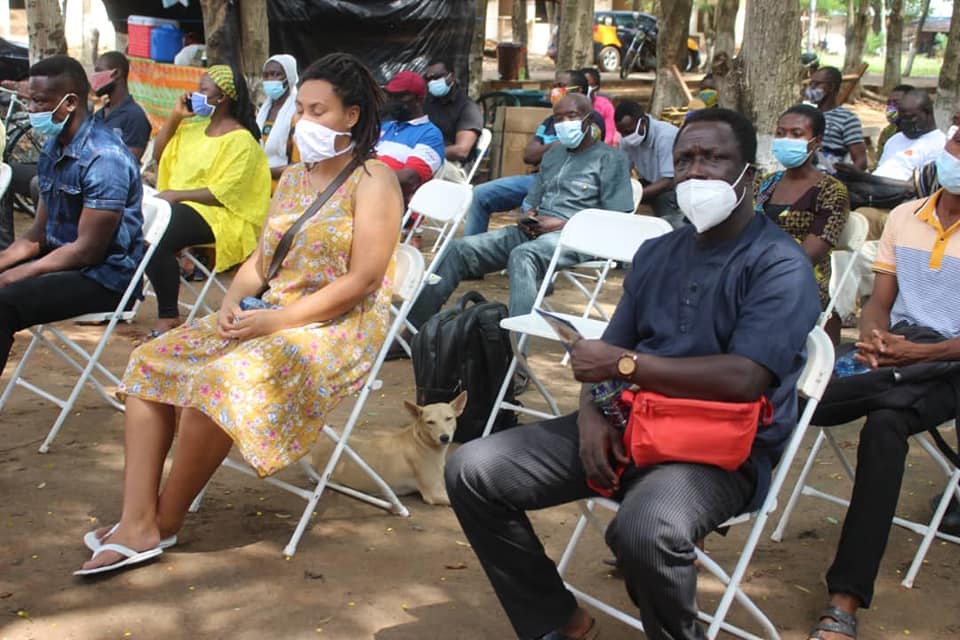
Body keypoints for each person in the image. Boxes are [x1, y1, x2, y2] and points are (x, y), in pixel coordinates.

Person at [445, 108, 820, 640]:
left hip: (721, 452)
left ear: (749, 176)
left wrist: (624, 367)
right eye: (685, 159)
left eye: (715, 159)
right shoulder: (658, 251)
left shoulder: (778, 264)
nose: (697, 173)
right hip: (630, 425)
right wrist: (594, 412)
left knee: (644, 529)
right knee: (473, 469)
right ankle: (556, 621)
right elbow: (613, 350)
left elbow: (745, 378)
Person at [76, 52, 404, 575]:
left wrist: (275, 322)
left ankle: (162, 521)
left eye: (319, 111)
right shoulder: (295, 177)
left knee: (221, 379)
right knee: (152, 360)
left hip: (338, 325)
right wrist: (230, 304)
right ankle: (137, 519)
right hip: (269, 308)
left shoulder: (376, 181)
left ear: (352, 117)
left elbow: (363, 280)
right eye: (301, 108)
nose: (304, 121)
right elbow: (259, 261)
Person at [806, 127, 960, 640]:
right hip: (894, 353)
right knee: (847, 401)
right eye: (959, 141)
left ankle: (845, 596)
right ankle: (685, 523)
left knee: (861, 416)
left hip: (951, 366)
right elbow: (879, 301)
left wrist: (920, 353)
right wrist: (873, 336)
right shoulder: (904, 216)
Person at [408, 92, 632, 328]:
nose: (565, 123)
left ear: (588, 120)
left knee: (524, 255)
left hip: (577, 238)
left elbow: (616, 218)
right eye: (558, 118)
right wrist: (529, 216)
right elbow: (534, 198)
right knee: (456, 249)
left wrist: (562, 224)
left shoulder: (611, 159)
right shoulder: (553, 154)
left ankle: (516, 345)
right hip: (535, 231)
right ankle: (413, 327)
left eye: (572, 116)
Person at [0, 55, 143, 375]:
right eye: (30, 101)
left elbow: (86, 251)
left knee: (3, 302)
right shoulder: (54, 147)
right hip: (63, 259)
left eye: (39, 102)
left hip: (104, 277)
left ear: (70, 103)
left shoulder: (104, 158)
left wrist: (13, 276)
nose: (31, 110)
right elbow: (37, 235)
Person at [147, 64, 271, 336]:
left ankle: (168, 316)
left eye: (203, 90)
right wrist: (175, 118)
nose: (195, 94)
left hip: (222, 214)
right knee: (137, 219)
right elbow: (160, 155)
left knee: (160, 232)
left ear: (221, 98)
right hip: (179, 205)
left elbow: (224, 193)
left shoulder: (242, 141)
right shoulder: (192, 129)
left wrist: (176, 195)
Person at [462, 70, 608, 236]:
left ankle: (526, 255)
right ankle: (470, 251)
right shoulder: (549, 121)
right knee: (481, 194)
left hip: (568, 184)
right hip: (537, 178)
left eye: (561, 86)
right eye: (554, 85)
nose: (555, 90)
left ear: (579, 91)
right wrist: (556, 145)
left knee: (529, 209)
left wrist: (547, 155)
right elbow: (529, 156)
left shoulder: (592, 119)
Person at [755, 104, 850, 343]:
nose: (786, 140)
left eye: (796, 134)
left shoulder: (831, 191)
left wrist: (753, 270)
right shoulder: (767, 184)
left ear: (816, 142)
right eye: (780, 133)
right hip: (754, 272)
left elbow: (810, 254)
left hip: (802, 280)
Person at [376, 70, 445, 203]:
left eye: (400, 96)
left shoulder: (430, 135)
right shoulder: (384, 127)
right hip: (365, 199)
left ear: (419, 99)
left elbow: (409, 179)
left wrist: (365, 179)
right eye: (390, 96)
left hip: (395, 206)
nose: (392, 101)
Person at [614, 100, 682, 227]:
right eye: (621, 132)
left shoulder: (665, 137)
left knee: (665, 204)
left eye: (628, 132)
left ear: (643, 123)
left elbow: (669, 181)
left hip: (674, 187)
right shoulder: (625, 140)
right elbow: (622, 172)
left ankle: (669, 232)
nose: (625, 137)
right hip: (651, 182)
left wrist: (638, 195)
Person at [423, 60, 483, 184]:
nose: (433, 81)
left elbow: (461, 151)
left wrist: (427, 154)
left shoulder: (468, 108)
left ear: (452, 76)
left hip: (454, 168)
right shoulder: (428, 103)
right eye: (429, 79)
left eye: (437, 77)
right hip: (428, 160)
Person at [90, 51, 152, 162]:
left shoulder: (134, 116)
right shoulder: (99, 115)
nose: (94, 78)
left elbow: (127, 164)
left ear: (116, 73)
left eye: (99, 71)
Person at [871, 89, 945, 181]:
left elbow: (917, 188)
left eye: (909, 118)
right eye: (902, 118)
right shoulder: (895, 139)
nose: (904, 122)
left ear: (928, 113)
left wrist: (867, 179)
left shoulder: (940, 144)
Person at [805, 66, 868, 173]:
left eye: (816, 84)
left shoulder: (847, 119)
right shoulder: (804, 114)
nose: (811, 88)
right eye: (811, 84)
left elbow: (861, 161)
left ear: (831, 87)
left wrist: (840, 183)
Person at [256, 54, 299, 183]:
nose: (270, 79)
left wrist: (262, 171)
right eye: (266, 75)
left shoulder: (297, 113)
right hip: (258, 184)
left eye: (276, 74)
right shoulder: (262, 111)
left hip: (283, 185)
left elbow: (299, 166)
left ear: (289, 77)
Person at [874, 83, 915, 167]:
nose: (891, 108)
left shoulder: (920, 134)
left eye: (896, 103)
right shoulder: (887, 132)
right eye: (889, 103)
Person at [580, 67, 617, 146]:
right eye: (583, 85)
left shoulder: (605, 105)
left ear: (597, 87)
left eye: (590, 85)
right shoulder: (570, 105)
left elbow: (609, 133)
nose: (586, 89)